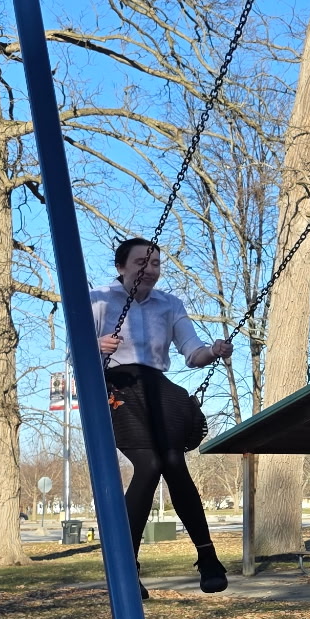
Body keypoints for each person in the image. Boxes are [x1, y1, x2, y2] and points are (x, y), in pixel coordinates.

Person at [91, 237, 235, 594]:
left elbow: (192, 353)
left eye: (155, 264)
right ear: (121, 267)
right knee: (149, 464)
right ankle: (127, 566)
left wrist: (213, 351)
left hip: (156, 387)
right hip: (116, 385)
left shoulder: (169, 305)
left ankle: (207, 557)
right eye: (141, 262)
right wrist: (95, 346)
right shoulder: (98, 299)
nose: (149, 269)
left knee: (173, 461)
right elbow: (72, 357)